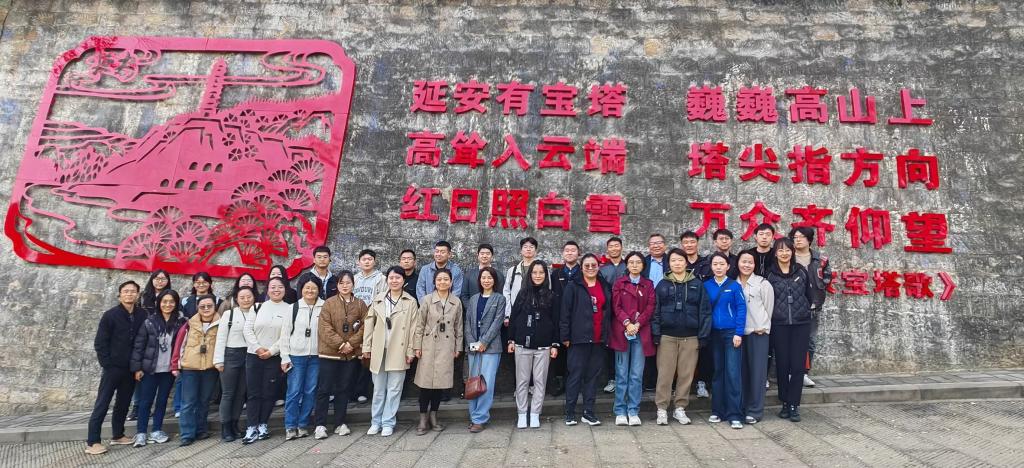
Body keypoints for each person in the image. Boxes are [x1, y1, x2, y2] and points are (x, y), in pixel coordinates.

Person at [651, 248, 710, 426]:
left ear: (686, 262)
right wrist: (656, 333)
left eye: (680, 260)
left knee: (686, 374)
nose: (677, 263)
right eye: (673, 260)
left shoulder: (697, 284)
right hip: (667, 336)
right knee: (665, 374)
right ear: (669, 264)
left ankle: (680, 408)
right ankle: (662, 408)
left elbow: (705, 311)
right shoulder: (662, 284)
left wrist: (703, 335)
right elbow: (655, 311)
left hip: (690, 337)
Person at [85, 281, 145, 455]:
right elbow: (100, 343)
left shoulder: (142, 314)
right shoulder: (110, 315)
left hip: (131, 368)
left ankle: (118, 435)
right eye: (126, 291)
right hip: (112, 368)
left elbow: (143, 341)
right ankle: (92, 441)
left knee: (123, 403)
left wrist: (138, 366)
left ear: (138, 295)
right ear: (120, 295)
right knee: (102, 403)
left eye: (133, 291)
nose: (129, 294)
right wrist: (107, 364)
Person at [363, 266, 419, 437]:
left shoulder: (410, 301)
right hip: (379, 348)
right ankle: (375, 421)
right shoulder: (378, 299)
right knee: (378, 389)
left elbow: (414, 329)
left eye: (398, 278)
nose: (394, 281)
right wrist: (366, 347)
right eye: (391, 278)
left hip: (399, 349)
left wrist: (410, 351)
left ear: (404, 280)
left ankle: (388, 422)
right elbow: (369, 324)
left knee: (394, 389)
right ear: (387, 280)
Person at [560, 254, 613, 427]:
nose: (590, 268)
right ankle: (570, 412)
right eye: (587, 265)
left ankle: (588, 412)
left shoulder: (604, 285)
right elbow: (565, 313)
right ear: (581, 268)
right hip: (578, 339)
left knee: (592, 378)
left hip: (598, 339)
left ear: (598, 267)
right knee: (575, 376)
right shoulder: (573, 286)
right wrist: (565, 336)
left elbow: (608, 311)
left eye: (593, 265)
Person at [130, 289, 186, 447]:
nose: (168, 305)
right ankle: (141, 432)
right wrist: (137, 368)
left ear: (176, 304)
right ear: (159, 303)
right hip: (150, 369)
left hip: (168, 370)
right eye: (164, 301)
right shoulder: (149, 321)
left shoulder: (180, 322)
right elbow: (139, 345)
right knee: (145, 401)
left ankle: (156, 430)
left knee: (162, 401)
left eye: (171, 302)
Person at [314, 271, 367, 439]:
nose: (345, 286)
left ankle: (340, 423)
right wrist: (341, 344)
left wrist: (351, 344)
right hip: (330, 354)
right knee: (324, 389)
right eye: (341, 283)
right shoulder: (329, 303)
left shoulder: (360, 304)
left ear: (353, 285)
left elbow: (366, 325)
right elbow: (324, 327)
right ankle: (320, 424)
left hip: (349, 355)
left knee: (343, 389)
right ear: (337, 285)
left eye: (348, 282)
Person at [508, 260, 560, 429]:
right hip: (522, 345)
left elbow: (556, 321)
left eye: (541, 273)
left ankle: (536, 413)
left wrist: (555, 344)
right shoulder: (522, 294)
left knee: (540, 381)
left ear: (546, 275)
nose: (538, 276)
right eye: (534, 272)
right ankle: (522, 413)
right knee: (522, 381)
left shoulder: (551, 296)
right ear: (529, 275)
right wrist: (511, 340)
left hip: (544, 346)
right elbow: (514, 318)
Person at [767, 237, 814, 422]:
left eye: (787, 250)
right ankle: (785, 402)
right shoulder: (770, 274)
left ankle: (794, 404)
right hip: (779, 325)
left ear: (792, 252)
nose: (784, 253)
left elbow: (809, 295)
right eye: (780, 250)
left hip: (801, 324)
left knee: (797, 366)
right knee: (782, 364)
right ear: (775, 253)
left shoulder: (801, 271)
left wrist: (803, 312)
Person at [412, 269, 463, 435]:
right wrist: (417, 346)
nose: (442, 282)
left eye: (446, 279)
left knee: (440, 384)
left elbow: (459, 327)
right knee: (425, 384)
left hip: (447, 346)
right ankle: (422, 417)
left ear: (451, 282)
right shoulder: (427, 300)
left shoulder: (456, 301)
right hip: (428, 345)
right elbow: (419, 325)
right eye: (439, 279)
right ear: (434, 282)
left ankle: (434, 415)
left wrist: (458, 347)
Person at [609, 251, 655, 426]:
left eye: (638, 262)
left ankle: (633, 410)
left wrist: (638, 324)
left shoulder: (648, 284)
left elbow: (650, 306)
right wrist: (627, 323)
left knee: (636, 374)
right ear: (627, 265)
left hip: (641, 332)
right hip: (622, 331)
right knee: (621, 374)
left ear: (643, 265)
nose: (634, 265)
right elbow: (616, 306)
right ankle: (620, 410)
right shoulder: (619, 283)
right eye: (631, 262)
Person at [241, 277, 289, 444]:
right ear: (267, 290)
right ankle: (251, 426)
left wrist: (271, 351)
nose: (276, 290)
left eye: (280, 287)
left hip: (273, 357)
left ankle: (263, 424)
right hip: (253, 356)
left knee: (269, 392)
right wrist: (257, 348)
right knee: (253, 393)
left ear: (285, 289)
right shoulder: (257, 306)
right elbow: (247, 330)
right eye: (273, 287)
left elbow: (286, 335)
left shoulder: (289, 309)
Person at [704, 253, 747, 429]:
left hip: (731, 334)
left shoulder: (734, 286)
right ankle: (717, 411)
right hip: (714, 334)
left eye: (722, 264)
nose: (718, 267)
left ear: (728, 266)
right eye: (715, 264)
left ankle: (734, 414)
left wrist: (739, 333)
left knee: (733, 372)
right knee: (718, 372)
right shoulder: (706, 285)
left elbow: (742, 309)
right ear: (711, 266)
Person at [169, 295, 220, 446]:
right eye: (202, 306)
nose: (206, 309)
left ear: (215, 307)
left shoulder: (221, 323)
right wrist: (175, 364)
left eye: (209, 306)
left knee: (204, 401)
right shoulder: (189, 324)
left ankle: (201, 429)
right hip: (190, 367)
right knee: (188, 402)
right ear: (197, 307)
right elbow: (179, 344)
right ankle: (187, 434)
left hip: (210, 368)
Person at [281, 275, 324, 440]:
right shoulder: (293, 308)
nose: (310, 291)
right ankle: (290, 426)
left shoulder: (325, 306)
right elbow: (284, 335)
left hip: (316, 356)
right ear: (301, 289)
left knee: (310, 391)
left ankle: (303, 424)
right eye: (307, 288)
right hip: (296, 356)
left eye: (314, 288)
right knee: (294, 391)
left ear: (319, 289)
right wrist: (285, 357)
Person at [463, 267, 506, 432]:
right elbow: (468, 322)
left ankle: (480, 418)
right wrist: (472, 342)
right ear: (479, 280)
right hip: (473, 348)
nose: (486, 280)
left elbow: (497, 322)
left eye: (489, 278)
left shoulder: (499, 299)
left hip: (491, 348)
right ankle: (473, 415)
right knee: (473, 382)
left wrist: (484, 342)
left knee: (486, 383)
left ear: (494, 280)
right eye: (483, 278)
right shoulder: (474, 299)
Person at [789, 227, 833, 388]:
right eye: (795, 237)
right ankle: (790, 372)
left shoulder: (820, 259)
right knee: (789, 341)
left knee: (810, 342)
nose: (798, 240)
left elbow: (827, 277)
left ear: (809, 239)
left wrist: (817, 288)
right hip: (791, 306)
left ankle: (803, 373)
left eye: (801, 237)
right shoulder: (788, 256)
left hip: (813, 306)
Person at [213, 286, 257, 442]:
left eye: (249, 297)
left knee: (240, 393)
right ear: (236, 299)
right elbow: (221, 338)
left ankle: (234, 423)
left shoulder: (257, 313)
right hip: (231, 355)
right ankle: (225, 427)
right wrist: (218, 360)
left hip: (249, 355)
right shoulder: (229, 314)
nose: (246, 300)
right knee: (228, 393)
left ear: (254, 297)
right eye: (242, 297)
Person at [736, 251, 774, 425]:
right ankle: (742, 407)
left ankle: (755, 411)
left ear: (755, 265)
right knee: (741, 372)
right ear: (737, 263)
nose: (746, 265)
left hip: (758, 334)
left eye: (750, 262)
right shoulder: (733, 283)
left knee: (757, 373)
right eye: (743, 261)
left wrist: (763, 326)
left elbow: (768, 309)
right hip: (737, 334)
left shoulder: (763, 284)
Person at [681, 230, 713, 399]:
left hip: (702, 311)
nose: (689, 245)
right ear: (682, 245)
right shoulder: (678, 262)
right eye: (686, 242)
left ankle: (702, 382)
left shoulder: (706, 264)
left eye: (692, 242)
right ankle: (681, 386)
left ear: (697, 243)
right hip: (683, 314)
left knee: (703, 350)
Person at [548, 241, 581, 397]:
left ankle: (574, 384)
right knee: (559, 353)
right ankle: (559, 383)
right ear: (562, 253)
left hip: (578, 318)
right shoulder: (556, 274)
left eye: (573, 250)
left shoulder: (583, 272)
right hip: (559, 318)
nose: (570, 253)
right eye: (567, 250)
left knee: (576, 354)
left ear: (578, 253)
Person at [599, 236, 627, 395]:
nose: (614, 248)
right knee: (610, 346)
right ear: (607, 249)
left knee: (627, 346)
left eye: (617, 245)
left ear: (621, 247)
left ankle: (625, 378)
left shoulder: (628, 266)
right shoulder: (602, 269)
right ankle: (612, 379)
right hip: (609, 314)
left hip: (627, 313)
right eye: (611, 246)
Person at [503, 237, 539, 324]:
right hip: (516, 313)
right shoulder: (512, 271)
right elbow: (506, 292)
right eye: (525, 247)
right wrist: (508, 314)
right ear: (521, 251)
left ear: (536, 251)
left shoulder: (542, 270)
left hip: (536, 313)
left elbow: (547, 291)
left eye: (531, 247)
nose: (528, 249)